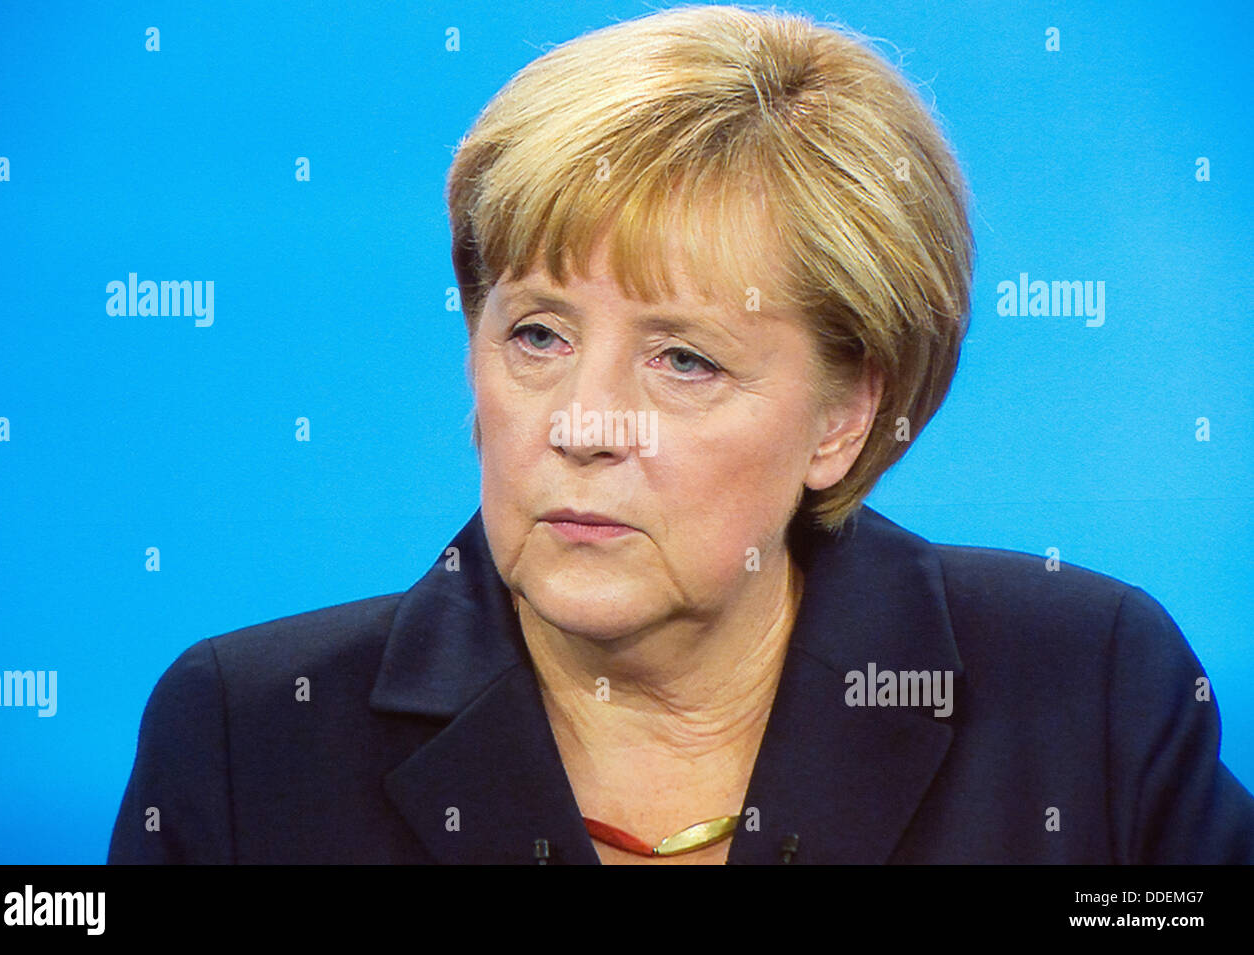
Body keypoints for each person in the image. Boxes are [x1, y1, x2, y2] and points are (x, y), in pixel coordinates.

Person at [108, 3, 1254, 864]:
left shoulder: (1082, 689)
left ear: (843, 418)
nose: (582, 423)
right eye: (539, 335)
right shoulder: (247, 739)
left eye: (684, 359)